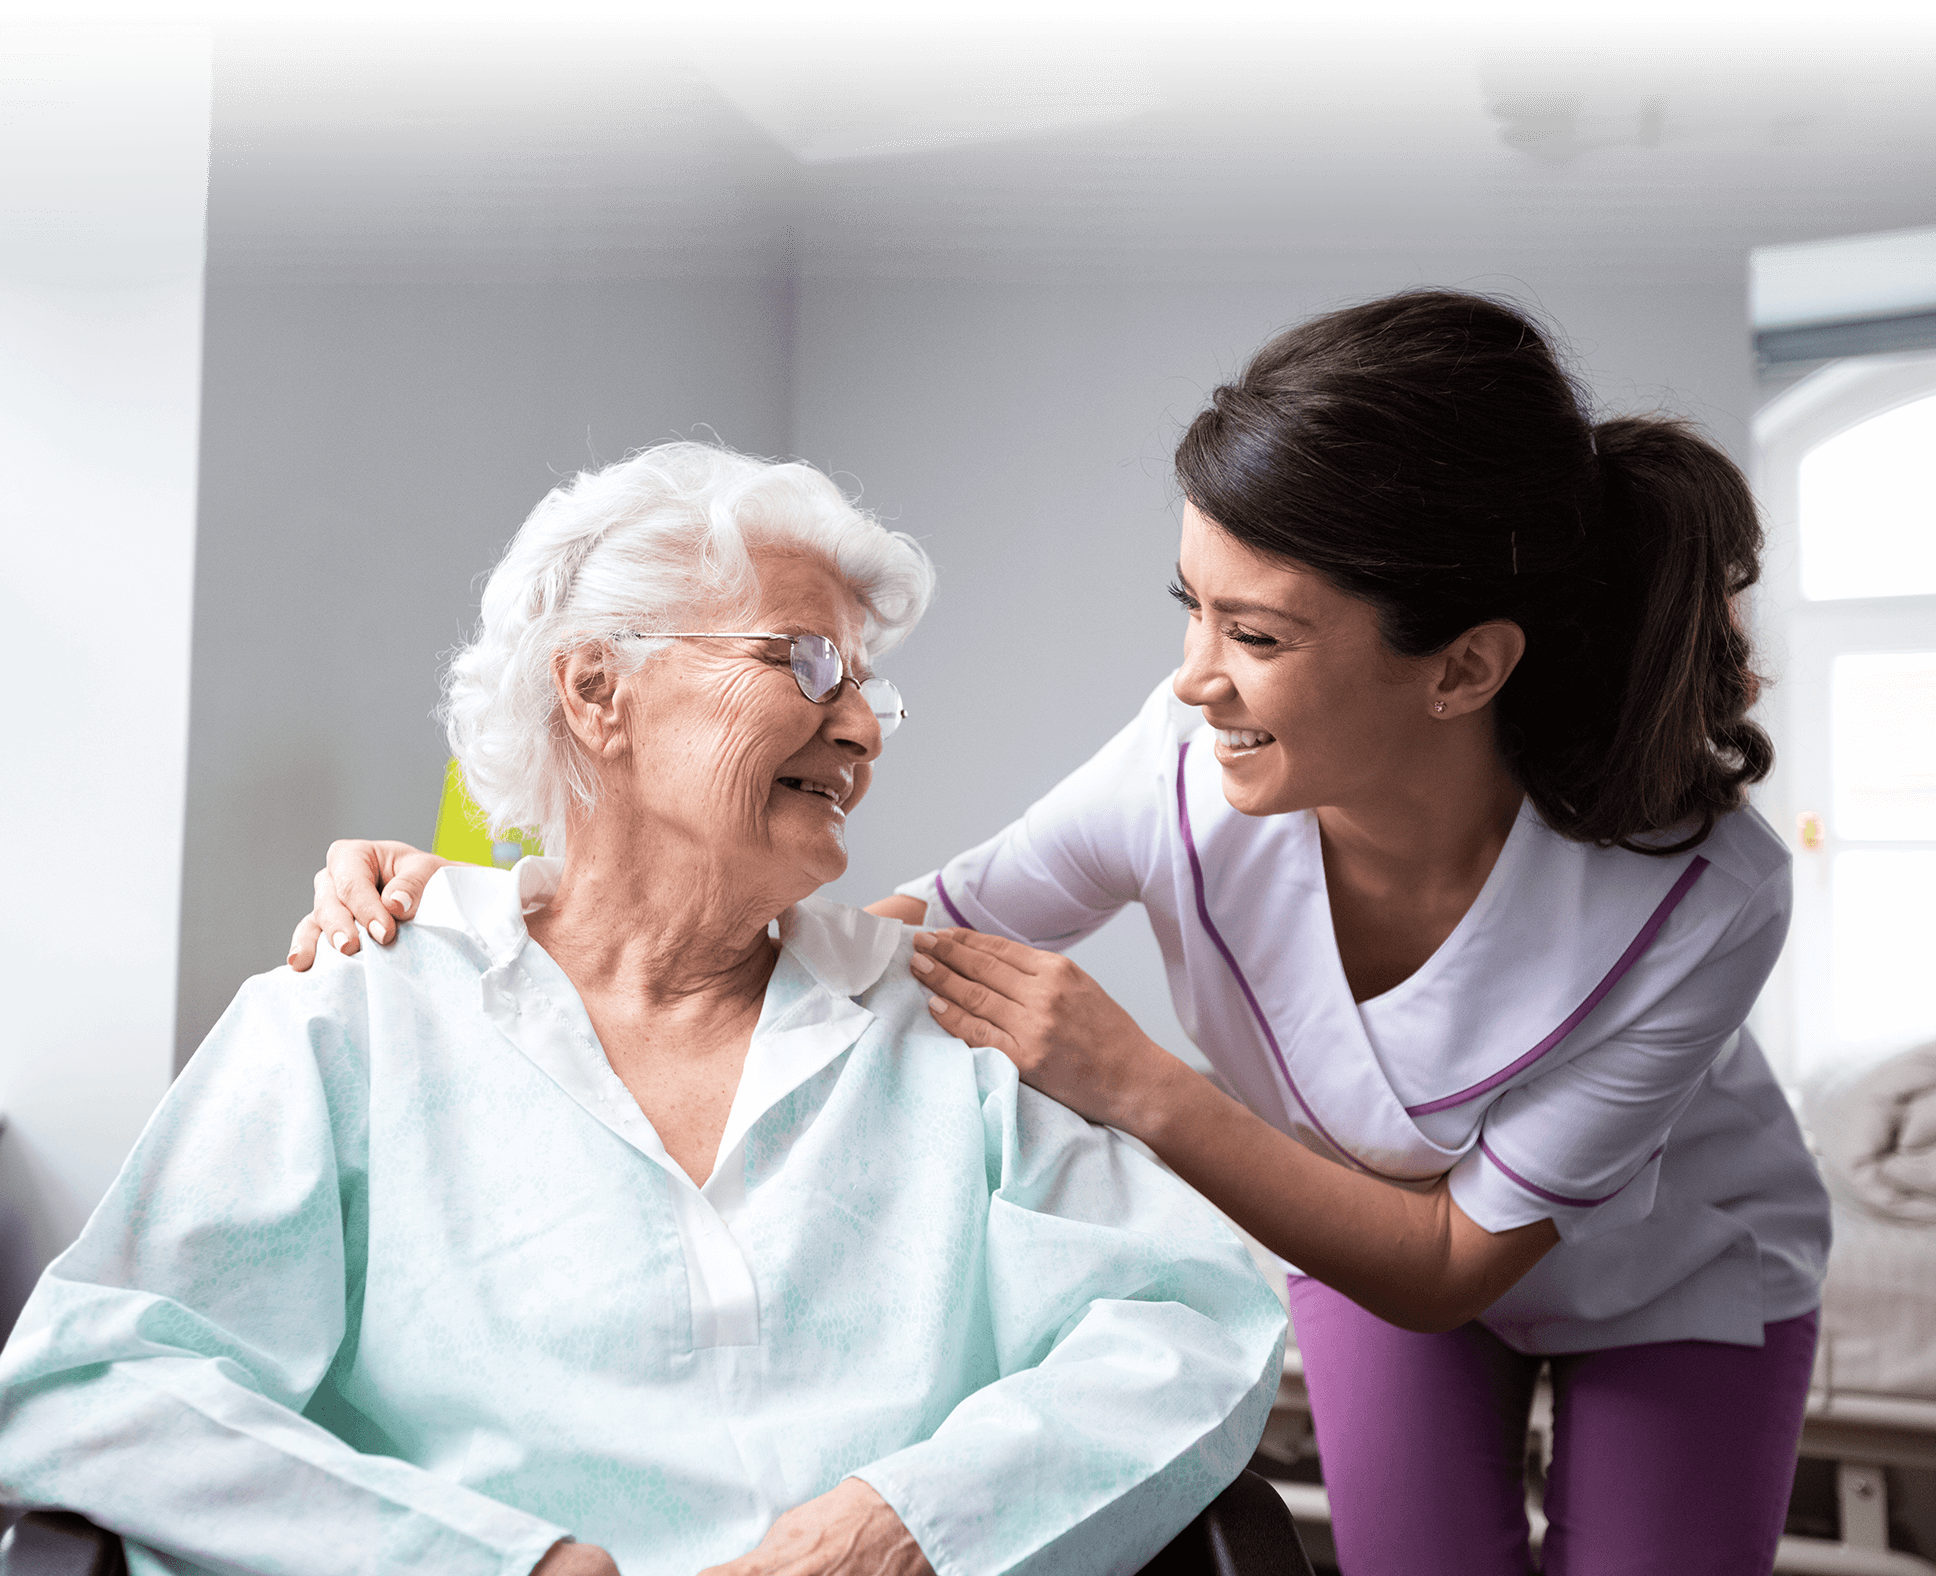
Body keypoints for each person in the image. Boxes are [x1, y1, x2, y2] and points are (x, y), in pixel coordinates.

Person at [296, 292, 1832, 1576]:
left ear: (1460, 670)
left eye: (1260, 636)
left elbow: (1447, 1264)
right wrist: (506, 910)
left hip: (1662, 1274)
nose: (1193, 679)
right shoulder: (1178, 770)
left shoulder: (1699, 898)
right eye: (1192, 608)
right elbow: (899, 944)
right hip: (1350, 1243)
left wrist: (1137, 1081)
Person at [0, 444, 1286, 1576]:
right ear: (597, 691)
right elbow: (101, 1379)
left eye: (870, 686)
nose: (862, 728)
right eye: (808, 661)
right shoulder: (358, 1014)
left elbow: (1192, 1327)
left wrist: (897, 1532)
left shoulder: (949, 1023)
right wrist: (508, 1566)